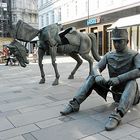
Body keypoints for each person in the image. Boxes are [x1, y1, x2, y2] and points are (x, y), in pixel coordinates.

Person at [60, 27, 140, 131]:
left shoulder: (135, 55)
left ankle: (117, 114)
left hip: (131, 96)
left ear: (127, 41)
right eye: (114, 41)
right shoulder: (109, 55)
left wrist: (119, 79)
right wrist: (98, 75)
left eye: (119, 41)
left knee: (132, 82)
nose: (116, 44)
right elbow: (96, 67)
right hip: (115, 92)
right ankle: (74, 103)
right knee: (92, 77)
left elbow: (139, 71)